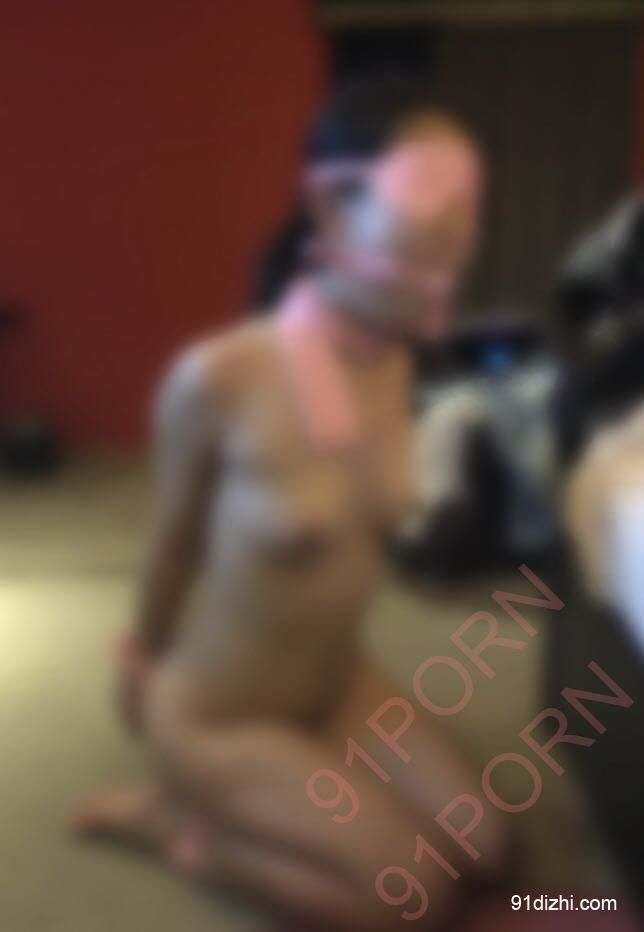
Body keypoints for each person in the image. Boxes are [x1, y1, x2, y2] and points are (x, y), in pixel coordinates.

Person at [74, 76, 507, 931]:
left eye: (465, 219)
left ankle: (289, 785)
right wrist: (138, 666)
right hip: (220, 717)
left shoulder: (393, 362)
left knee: (492, 851)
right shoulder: (220, 376)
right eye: (431, 216)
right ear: (334, 211)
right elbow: (172, 547)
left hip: (336, 683)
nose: (454, 244)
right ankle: (179, 830)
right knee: (415, 898)